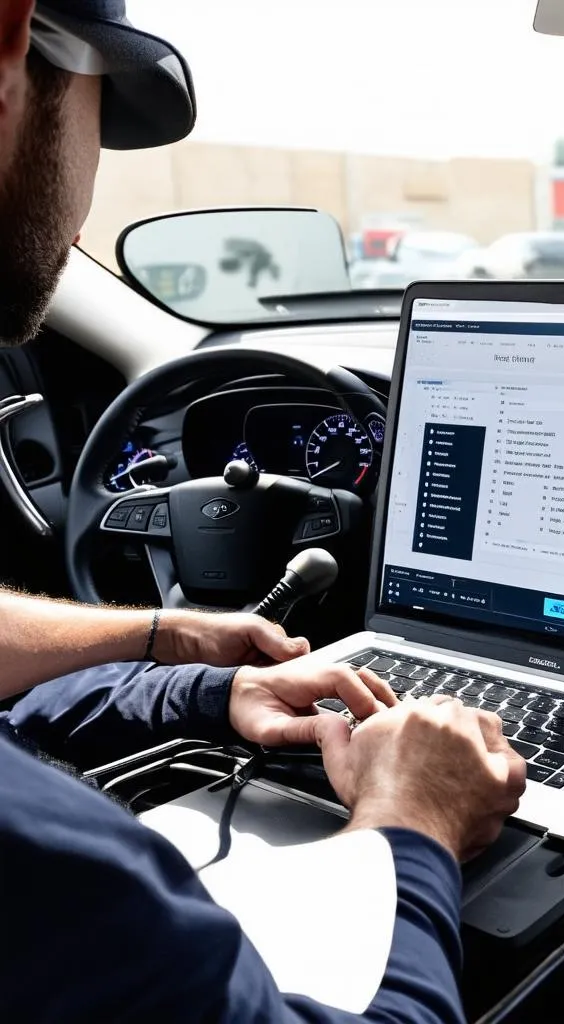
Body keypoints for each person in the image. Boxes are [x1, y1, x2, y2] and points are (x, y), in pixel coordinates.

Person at [0, 3, 526, 1021]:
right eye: (102, 122)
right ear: (13, 41)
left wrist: (184, 668)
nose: (86, 192)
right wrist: (412, 818)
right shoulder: (71, 884)